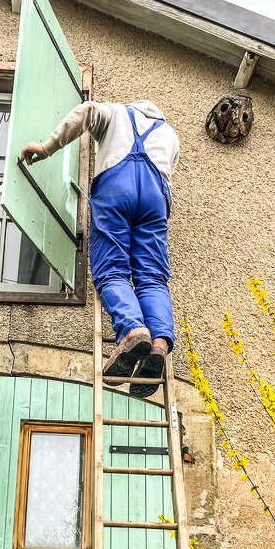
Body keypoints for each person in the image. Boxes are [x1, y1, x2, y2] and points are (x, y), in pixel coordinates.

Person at [21, 100, 179, 398]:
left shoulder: (118, 112)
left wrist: (47, 148)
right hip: (155, 200)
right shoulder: (170, 134)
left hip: (116, 190)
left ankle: (133, 330)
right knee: (152, 278)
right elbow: (167, 176)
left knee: (112, 270)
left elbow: (88, 110)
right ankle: (159, 343)